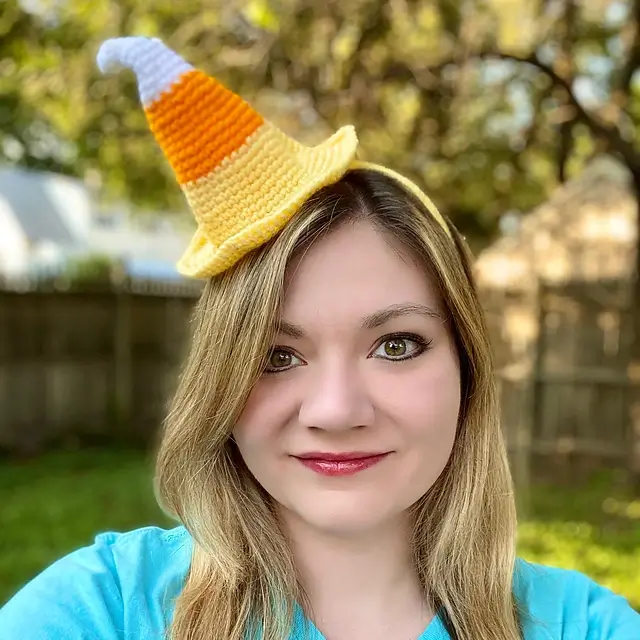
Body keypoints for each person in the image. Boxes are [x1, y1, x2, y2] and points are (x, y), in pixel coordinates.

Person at [0, 37, 638, 640]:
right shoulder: (103, 609)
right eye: (277, 355)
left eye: (396, 345)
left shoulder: (583, 625)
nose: (335, 411)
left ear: (467, 370)